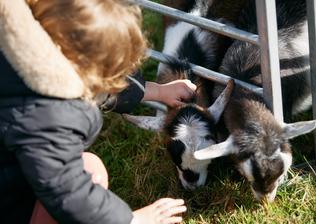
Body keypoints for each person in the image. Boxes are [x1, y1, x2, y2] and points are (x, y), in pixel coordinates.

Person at [0, 0, 196, 223]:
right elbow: (69, 192)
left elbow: (100, 84)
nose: (112, 84)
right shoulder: (47, 115)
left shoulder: (24, 50)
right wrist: (134, 220)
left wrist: (158, 92)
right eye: (110, 74)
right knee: (90, 170)